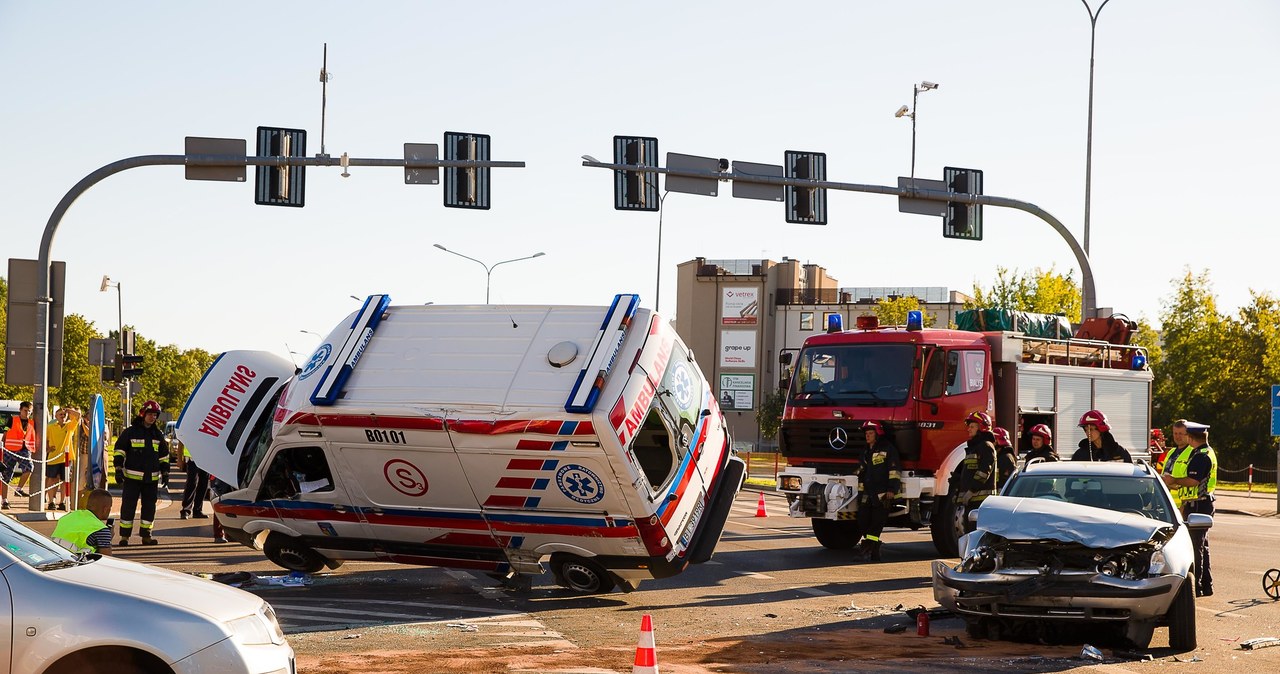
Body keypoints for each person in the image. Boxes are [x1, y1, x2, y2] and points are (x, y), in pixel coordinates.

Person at [1161, 420, 1217, 596]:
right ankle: (1206, 585)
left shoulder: (1201, 455)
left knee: (1195, 546)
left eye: (1185, 435)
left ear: (1191, 437)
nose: (1181, 437)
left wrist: (1173, 481)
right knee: (1201, 546)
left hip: (1199, 503)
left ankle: (1196, 587)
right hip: (1194, 502)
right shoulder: (1200, 452)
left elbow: (1193, 481)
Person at [113, 400, 170, 546]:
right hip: (132, 479)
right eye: (150, 414)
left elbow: (164, 456)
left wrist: (166, 472)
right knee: (128, 507)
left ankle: (146, 536)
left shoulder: (157, 435)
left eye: (155, 415)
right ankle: (124, 537)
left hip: (151, 480)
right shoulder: (130, 432)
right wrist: (118, 470)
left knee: (149, 508)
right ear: (143, 414)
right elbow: (119, 451)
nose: (153, 417)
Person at [853, 421, 901, 562]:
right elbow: (861, 472)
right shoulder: (866, 451)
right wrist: (860, 493)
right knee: (862, 519)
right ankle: (874, 550)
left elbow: (894, 471)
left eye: (870, 433)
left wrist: (892, 489)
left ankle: (867, 551)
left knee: (876, 523)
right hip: (867, 493)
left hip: (882, 494)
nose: (867, 436)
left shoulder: (888, 449)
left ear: (878, 433)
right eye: (866, 434)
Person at [953, 411, 998, 533]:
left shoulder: (986, 446)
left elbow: (984, 472)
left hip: (980, 502)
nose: (969, 429)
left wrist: (972, 491)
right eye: (969, 426)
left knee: (976, 533)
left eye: (972, 426)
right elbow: (968, 473)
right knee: (969, 532)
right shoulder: (974, 447)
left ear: (981, 427)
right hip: (972, 501)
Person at [50, 488, 114, 556]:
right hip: (74, 563)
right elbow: (107, 559)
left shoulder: (67, 517)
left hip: (52, 557)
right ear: (105, 509)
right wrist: (108, 540)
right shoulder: (100, 529)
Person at [2, 401, 38, 509]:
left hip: (24, 450)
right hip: (10, 450)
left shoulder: (31, 422)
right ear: (20, 410)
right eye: (25, 410)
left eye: (29, 411)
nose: (27, 413)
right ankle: (4, 500)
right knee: (5, 476)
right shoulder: (12, 420)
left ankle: (19, 489)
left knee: (29, 468)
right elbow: (5, 433)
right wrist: (2, 447)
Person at [44, 407, 81, 511]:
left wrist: (69, 411)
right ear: (55, 416)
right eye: (60, 414)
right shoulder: (50, 427)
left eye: (64, 414)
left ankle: (62, 501)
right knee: (52, 479)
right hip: (53, 457)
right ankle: (51, 501)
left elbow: (78, 416)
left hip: (66, 458)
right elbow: (46, 439)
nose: (62, 416)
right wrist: (47, 448)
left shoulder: (69, 426)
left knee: (65, 480)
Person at [1160, 420, 1192, 511]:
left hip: (1181, 505)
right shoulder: (1171, 452)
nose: (1177, 436)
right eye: (1175, 433)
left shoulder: (1193, 452)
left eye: (1181, 433)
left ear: (1188, 434)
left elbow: (1192, 480)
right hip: (1166, 504)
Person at [179, 441, 210, 520]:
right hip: (192, 458)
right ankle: (185, 510)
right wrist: (179, 458)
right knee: (192, 483)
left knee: (204, 484)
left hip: (206, 458)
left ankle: (197, 510)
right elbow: (181, 440)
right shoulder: (189, 428)